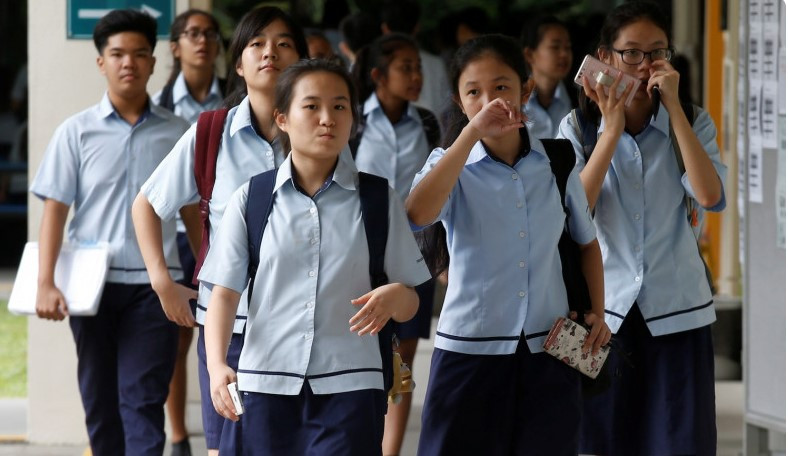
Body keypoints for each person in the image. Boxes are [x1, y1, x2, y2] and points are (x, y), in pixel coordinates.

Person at [201, 58, 431, 455]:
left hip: (352, 388)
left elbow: (411, 301)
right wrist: (217, 367)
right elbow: (224, 293)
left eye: (340, 107)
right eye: (312, 106)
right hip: (263, 385)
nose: (328, 118)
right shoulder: (253, 199)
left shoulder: (378, 200)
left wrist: (397, 297)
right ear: (283, 118)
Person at [406, 34, 611, 456]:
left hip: (549, 349)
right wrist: (469, 137)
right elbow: (418, 213)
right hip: (468, 351)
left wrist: (600, 311)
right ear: (460, 103)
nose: (489, 101)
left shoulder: (556, 161)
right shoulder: (449, 164)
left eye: (501, 87)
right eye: (474, 92)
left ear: (526, 89)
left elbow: (586, 243)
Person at [131, 7, 308, 456]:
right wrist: (162, 281)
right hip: (229, 334)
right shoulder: (212, 132)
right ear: (239, 63)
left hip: (305, 330)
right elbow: (148, 205)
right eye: (257, 44)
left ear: (302, 61)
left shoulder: (324, 133)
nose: (271, 52)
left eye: (284, 43)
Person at [556, 2, 726, 455]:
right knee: (601, 439)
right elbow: (574, 215)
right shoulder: (577, 128)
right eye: (631, 52)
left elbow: (710, 196)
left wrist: (674, 111)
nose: (645, 64)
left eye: (656, 52)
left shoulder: (692, 120)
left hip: (679, 311)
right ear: (605, 57)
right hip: (602, 316)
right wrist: (610, 132)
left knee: (681, 441)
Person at [31, 10, 190, 455]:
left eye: (140, 54)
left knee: (141, 402)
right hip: (90, 287)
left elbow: (194, 211)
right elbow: (55, 212)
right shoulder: (75, 133)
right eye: (118, 54)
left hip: (153, 288)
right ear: (101, 61)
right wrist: (46, 283)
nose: (129, 63)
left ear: (153, 62)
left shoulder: (178, 133)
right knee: (100, 404)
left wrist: (205, 274)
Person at [350, 33, 438, 456]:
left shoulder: (426, 123)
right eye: (405, 67)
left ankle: (391, 451)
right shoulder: (354, 123)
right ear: (377, 76)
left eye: (417, 67)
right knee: (362, 350)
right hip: (360, 259)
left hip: (413, 258)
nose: (416, 76)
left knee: (402, 359)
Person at [150, 9, 226, 456]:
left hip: (220, 234)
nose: (202, 41)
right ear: (176, 46)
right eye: (192, 34)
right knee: (178, 337)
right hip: (178, 234)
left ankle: (220, 426)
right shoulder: (161, 105)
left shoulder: (235, 101)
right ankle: (178, 433)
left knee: (220, 333)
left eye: (210, 34)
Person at [380, 0, 451, 118]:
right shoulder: (436, 63)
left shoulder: (376, 64)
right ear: (417, 27)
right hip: (434, 133)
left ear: (385, 28)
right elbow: (446, 105)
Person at [521, 15, 575, 139]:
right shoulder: (514, 101)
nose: (564, 54)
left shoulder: (578, 99)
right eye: (555, 47)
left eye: (568, 47)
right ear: (530, 55)